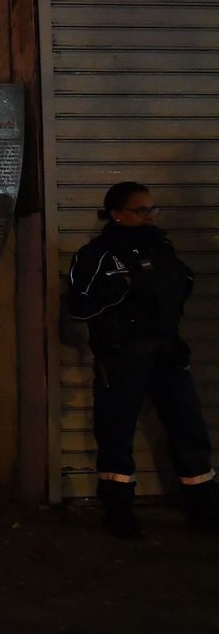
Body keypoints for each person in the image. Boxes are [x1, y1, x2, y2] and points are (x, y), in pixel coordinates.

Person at [65, 181, 217, 538]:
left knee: (187, 427)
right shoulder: (97, 254)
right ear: (117, 214)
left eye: (152, 209)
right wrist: (119, 290)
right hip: (122, 356)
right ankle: (118, 510)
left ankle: (203, 506)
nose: (149, 216)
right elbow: (78, 305)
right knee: (116, 431)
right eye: (140, 210)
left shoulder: (161, 246)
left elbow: (181, 284)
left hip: (166, 351)